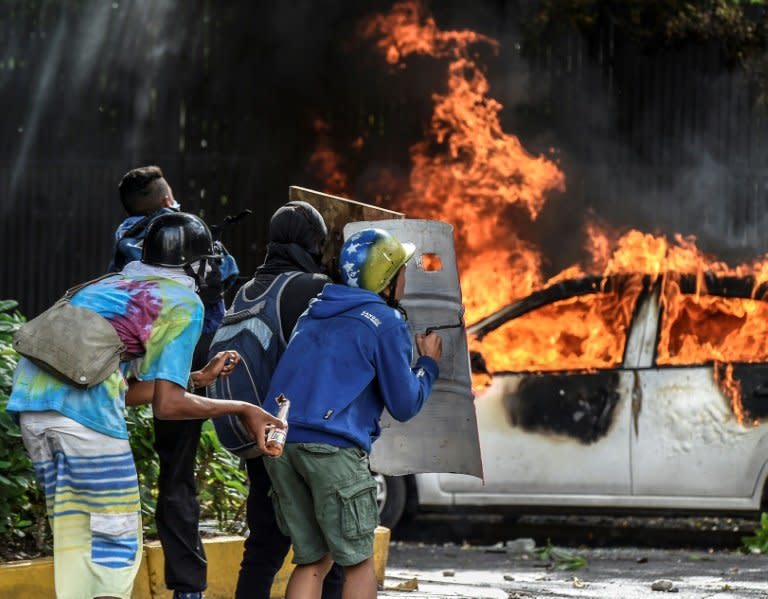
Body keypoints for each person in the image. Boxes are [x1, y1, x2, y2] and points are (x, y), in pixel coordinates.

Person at [7, 212, 284, 599]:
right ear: (198, 265)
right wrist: (242, 408)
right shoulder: (183, 301)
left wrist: (196, 379)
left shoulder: (112, 284)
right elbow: (167, 408)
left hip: (33, 411)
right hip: (85, 424)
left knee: (78, 539)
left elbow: (118, 387)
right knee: (115, 542)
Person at [263, 227, 443, 599]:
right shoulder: (385, 321)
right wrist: (428, 364)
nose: (405, 279)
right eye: (402, 271)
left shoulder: (314, 312)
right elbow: (404, 403)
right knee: (358, 563)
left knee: (313, 559)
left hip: (282, 445)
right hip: (331, 450)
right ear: (387, 280)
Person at [111, 166, 236, 599]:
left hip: (124, 368)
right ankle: (188, 589)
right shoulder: (189, 235)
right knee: (177, 478)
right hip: (185, 358)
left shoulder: (124, 242)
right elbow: (225, 282)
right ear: (167, 201)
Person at [230, 201, 345, 599]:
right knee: (327, 546)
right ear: (313, 242)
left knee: (263, 544)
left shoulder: (245, 289)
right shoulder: (312, 288)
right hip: (302, 434)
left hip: (258, 431)